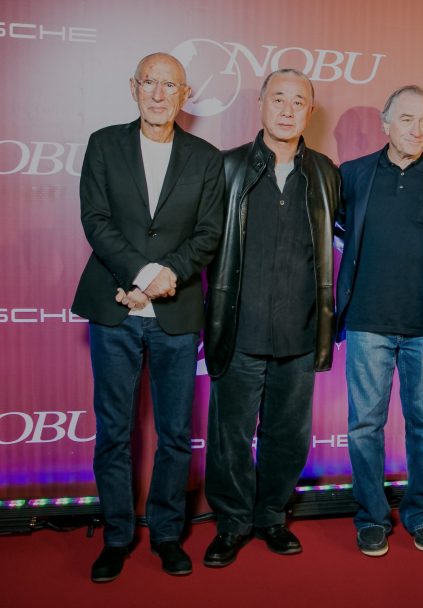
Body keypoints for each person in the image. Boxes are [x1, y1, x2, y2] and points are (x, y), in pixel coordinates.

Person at [72, 52, 224, 582]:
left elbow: (209, 232)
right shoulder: (103, 144)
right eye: (149, 83)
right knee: (114, 431)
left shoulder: (206, 158)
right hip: (114, 306)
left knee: (176, 434)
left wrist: (165, 277)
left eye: (170, 85)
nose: (159, 94)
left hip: (176, 313)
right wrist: (141, 275)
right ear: (133, 87)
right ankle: (117, 536)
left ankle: (166, 534)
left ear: (185, 94)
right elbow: (95, 219)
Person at [203, 68, 340, 567]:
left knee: (287, 437)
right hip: (239, 331)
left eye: (298, 102)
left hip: (300, 332)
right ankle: (232, 523)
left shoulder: (325, 173)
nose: (287, 110)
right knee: (231, 438)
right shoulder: (227, 167)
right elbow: (200, 242)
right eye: (278, 99)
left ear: (310, 111)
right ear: (260, 104)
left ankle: (271, 517)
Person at [335, 85, 423, 557]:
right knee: (364, 426)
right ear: (385, 123)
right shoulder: (353, 174)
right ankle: (371, 516)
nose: (417, 130)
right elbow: (335, 235)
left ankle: (421, 512)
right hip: (366, 321)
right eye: (407, 119)